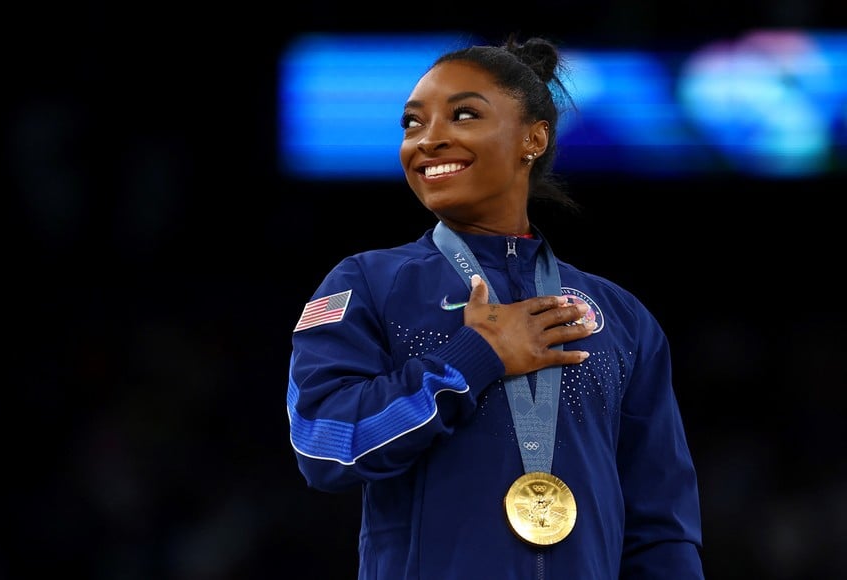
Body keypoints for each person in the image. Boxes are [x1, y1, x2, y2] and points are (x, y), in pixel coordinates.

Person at [286, 33, 704, 579]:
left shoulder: (620, 317)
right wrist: (474, 356)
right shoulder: (369, 283)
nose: (428, 140)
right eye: (413, 123)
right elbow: (323, 443)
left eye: (463, 115)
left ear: (533, 138)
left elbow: (662, 527)